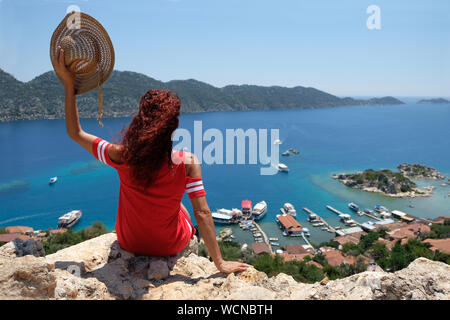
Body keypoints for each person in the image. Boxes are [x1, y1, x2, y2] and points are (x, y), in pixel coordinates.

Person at [51, 46, 250, 274]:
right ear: (172, 127)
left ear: (140, 120)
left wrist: (69, 84)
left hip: (129, 243)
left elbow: (75, 132)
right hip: (169, 246)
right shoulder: (187, 162)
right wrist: (220, 263)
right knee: (182, 208)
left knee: (176, 206)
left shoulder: (121, 155)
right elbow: (203, 213)